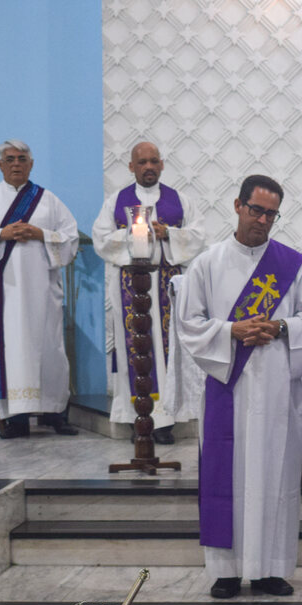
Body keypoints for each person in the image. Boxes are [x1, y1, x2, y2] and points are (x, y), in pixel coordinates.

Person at [174, 174, 302, 598]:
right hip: (229, 390)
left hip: (277, 390)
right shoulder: (207, 264)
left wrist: (281, 327)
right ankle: (226, 572)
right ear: (238, 205)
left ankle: (269, 570)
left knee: (275, 476)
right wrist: (232, 331)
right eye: (256, 210)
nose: (262, 219)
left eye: (271, 214)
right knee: (227, 478)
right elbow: (189, 324)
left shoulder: (292, 265)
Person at [0, 139, 80, 439]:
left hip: (43, 291)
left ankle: (54, 413)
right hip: (4, 293)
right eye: (10, 159)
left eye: (22, 159)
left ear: (31, 164)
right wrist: (2, 234)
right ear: (0, 164)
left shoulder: (48, 200)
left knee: (50, 348)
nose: (16, 164)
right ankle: (15, 418)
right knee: (10, 349)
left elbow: (70, 239)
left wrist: (40, 233)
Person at [92, 141, 206, 444]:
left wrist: (169, 233)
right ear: (131, 166)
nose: (149, 167)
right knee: (136, 348)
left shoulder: (180, 200)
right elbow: (101, 239)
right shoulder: (116, 201)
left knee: (169, 349)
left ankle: (165, 420)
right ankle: (137, 419)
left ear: (162, 164)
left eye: (154, 161)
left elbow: (198, 235)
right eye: (142, 162)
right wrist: (135, 233)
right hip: (130, 287)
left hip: (168, 287)